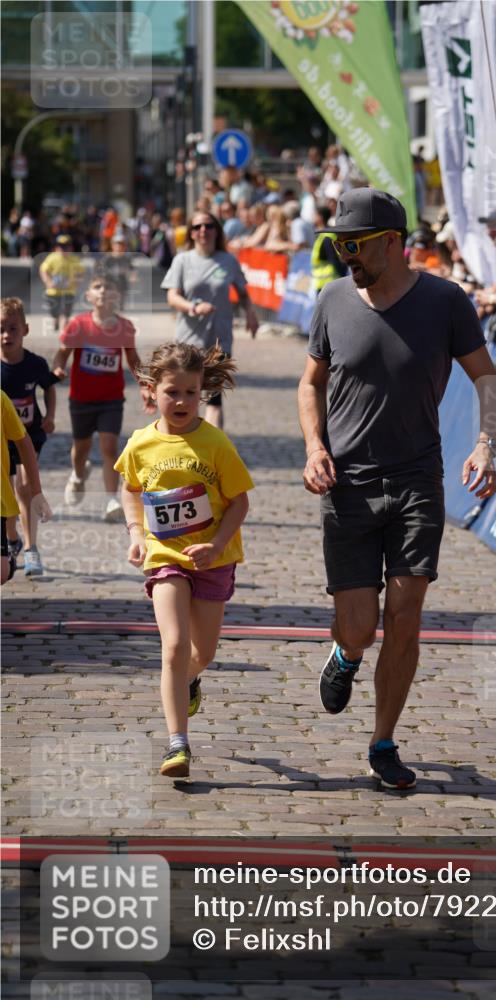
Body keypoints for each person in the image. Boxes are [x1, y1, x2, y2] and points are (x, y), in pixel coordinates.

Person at [297, 188, 496, 790]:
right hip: (349, 485)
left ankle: (383, 741)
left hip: (417, 480)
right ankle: (346, 654)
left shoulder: (445, 301)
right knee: (359, 624)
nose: (343, 255)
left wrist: (485, 443)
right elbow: (310, 385)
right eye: (337, 244)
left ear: (393, 241)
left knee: (406, 614)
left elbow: (488, 381)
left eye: (354, 244)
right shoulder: (332, 299)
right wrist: (314, 447)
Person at [115, 342, 254, 779]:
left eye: (191, 393)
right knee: (173, 646)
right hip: (165, 554)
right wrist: (137, 534)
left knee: (202, 653)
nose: (181, 402)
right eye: (173, 392)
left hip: (214, 558)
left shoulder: (215, 443)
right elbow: (130, 489)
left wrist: (216, 545)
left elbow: (239, 502)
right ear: (152, 391)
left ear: (203, 393)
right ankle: (178, 743)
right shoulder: (140, 443)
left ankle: (191, 679)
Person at [52, 274, 145, 522]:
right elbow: (62, 354)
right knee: (80, 449)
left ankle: (110, 499)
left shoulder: (124, 327)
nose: (103, 291)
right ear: (88, 297)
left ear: (117, 296)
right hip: (81, 399)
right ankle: (78, 475)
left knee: (109, 447)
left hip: (111, 399)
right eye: (97, 287)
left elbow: (134, 361)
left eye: (109, 287)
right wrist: (58, 370)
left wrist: (146, 386)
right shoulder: (78, 325)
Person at [161, 211, 259, 429]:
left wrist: (251, 315)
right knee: (188, 400)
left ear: (217, 231)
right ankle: (188, 447)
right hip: (188, 343)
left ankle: (212, 452)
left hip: (219, 341)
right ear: (191, 234)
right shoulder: (182, 260)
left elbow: (243, 293)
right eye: (197, 227)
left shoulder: (228, 261)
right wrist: (193, 307)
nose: (203, 230)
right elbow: (172, 297)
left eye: (208, 226)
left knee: (214, 400)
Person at [1, 297, 59, 576]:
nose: (5, 335)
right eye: (0, 329)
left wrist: (49, 416)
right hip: (2, 441)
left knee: (24, 487)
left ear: (25, 329)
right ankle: (12, 537)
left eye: (12, 328)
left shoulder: (35, 364)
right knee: (7, 491)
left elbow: (48, 387)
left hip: (29, 435)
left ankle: (31, 548)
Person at [1, 390, 52, 585]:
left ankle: (9, 557)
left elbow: (24, 442)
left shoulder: (1, 399)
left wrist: (37, 493)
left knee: (2, 573)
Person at [39, 235, 85, 332]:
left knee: (66, 312)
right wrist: (48, 281)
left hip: (69, 291)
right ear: (56, 247)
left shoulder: (74, 259)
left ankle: (64, 330)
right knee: (54, 311)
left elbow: (81, 272)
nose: (64, 249)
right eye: (61, 247)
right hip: (53, 291)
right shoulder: (52, 258)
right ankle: (56, 319)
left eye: (66, 247)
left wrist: (76, 282)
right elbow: (43, 270)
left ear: (71, 248)